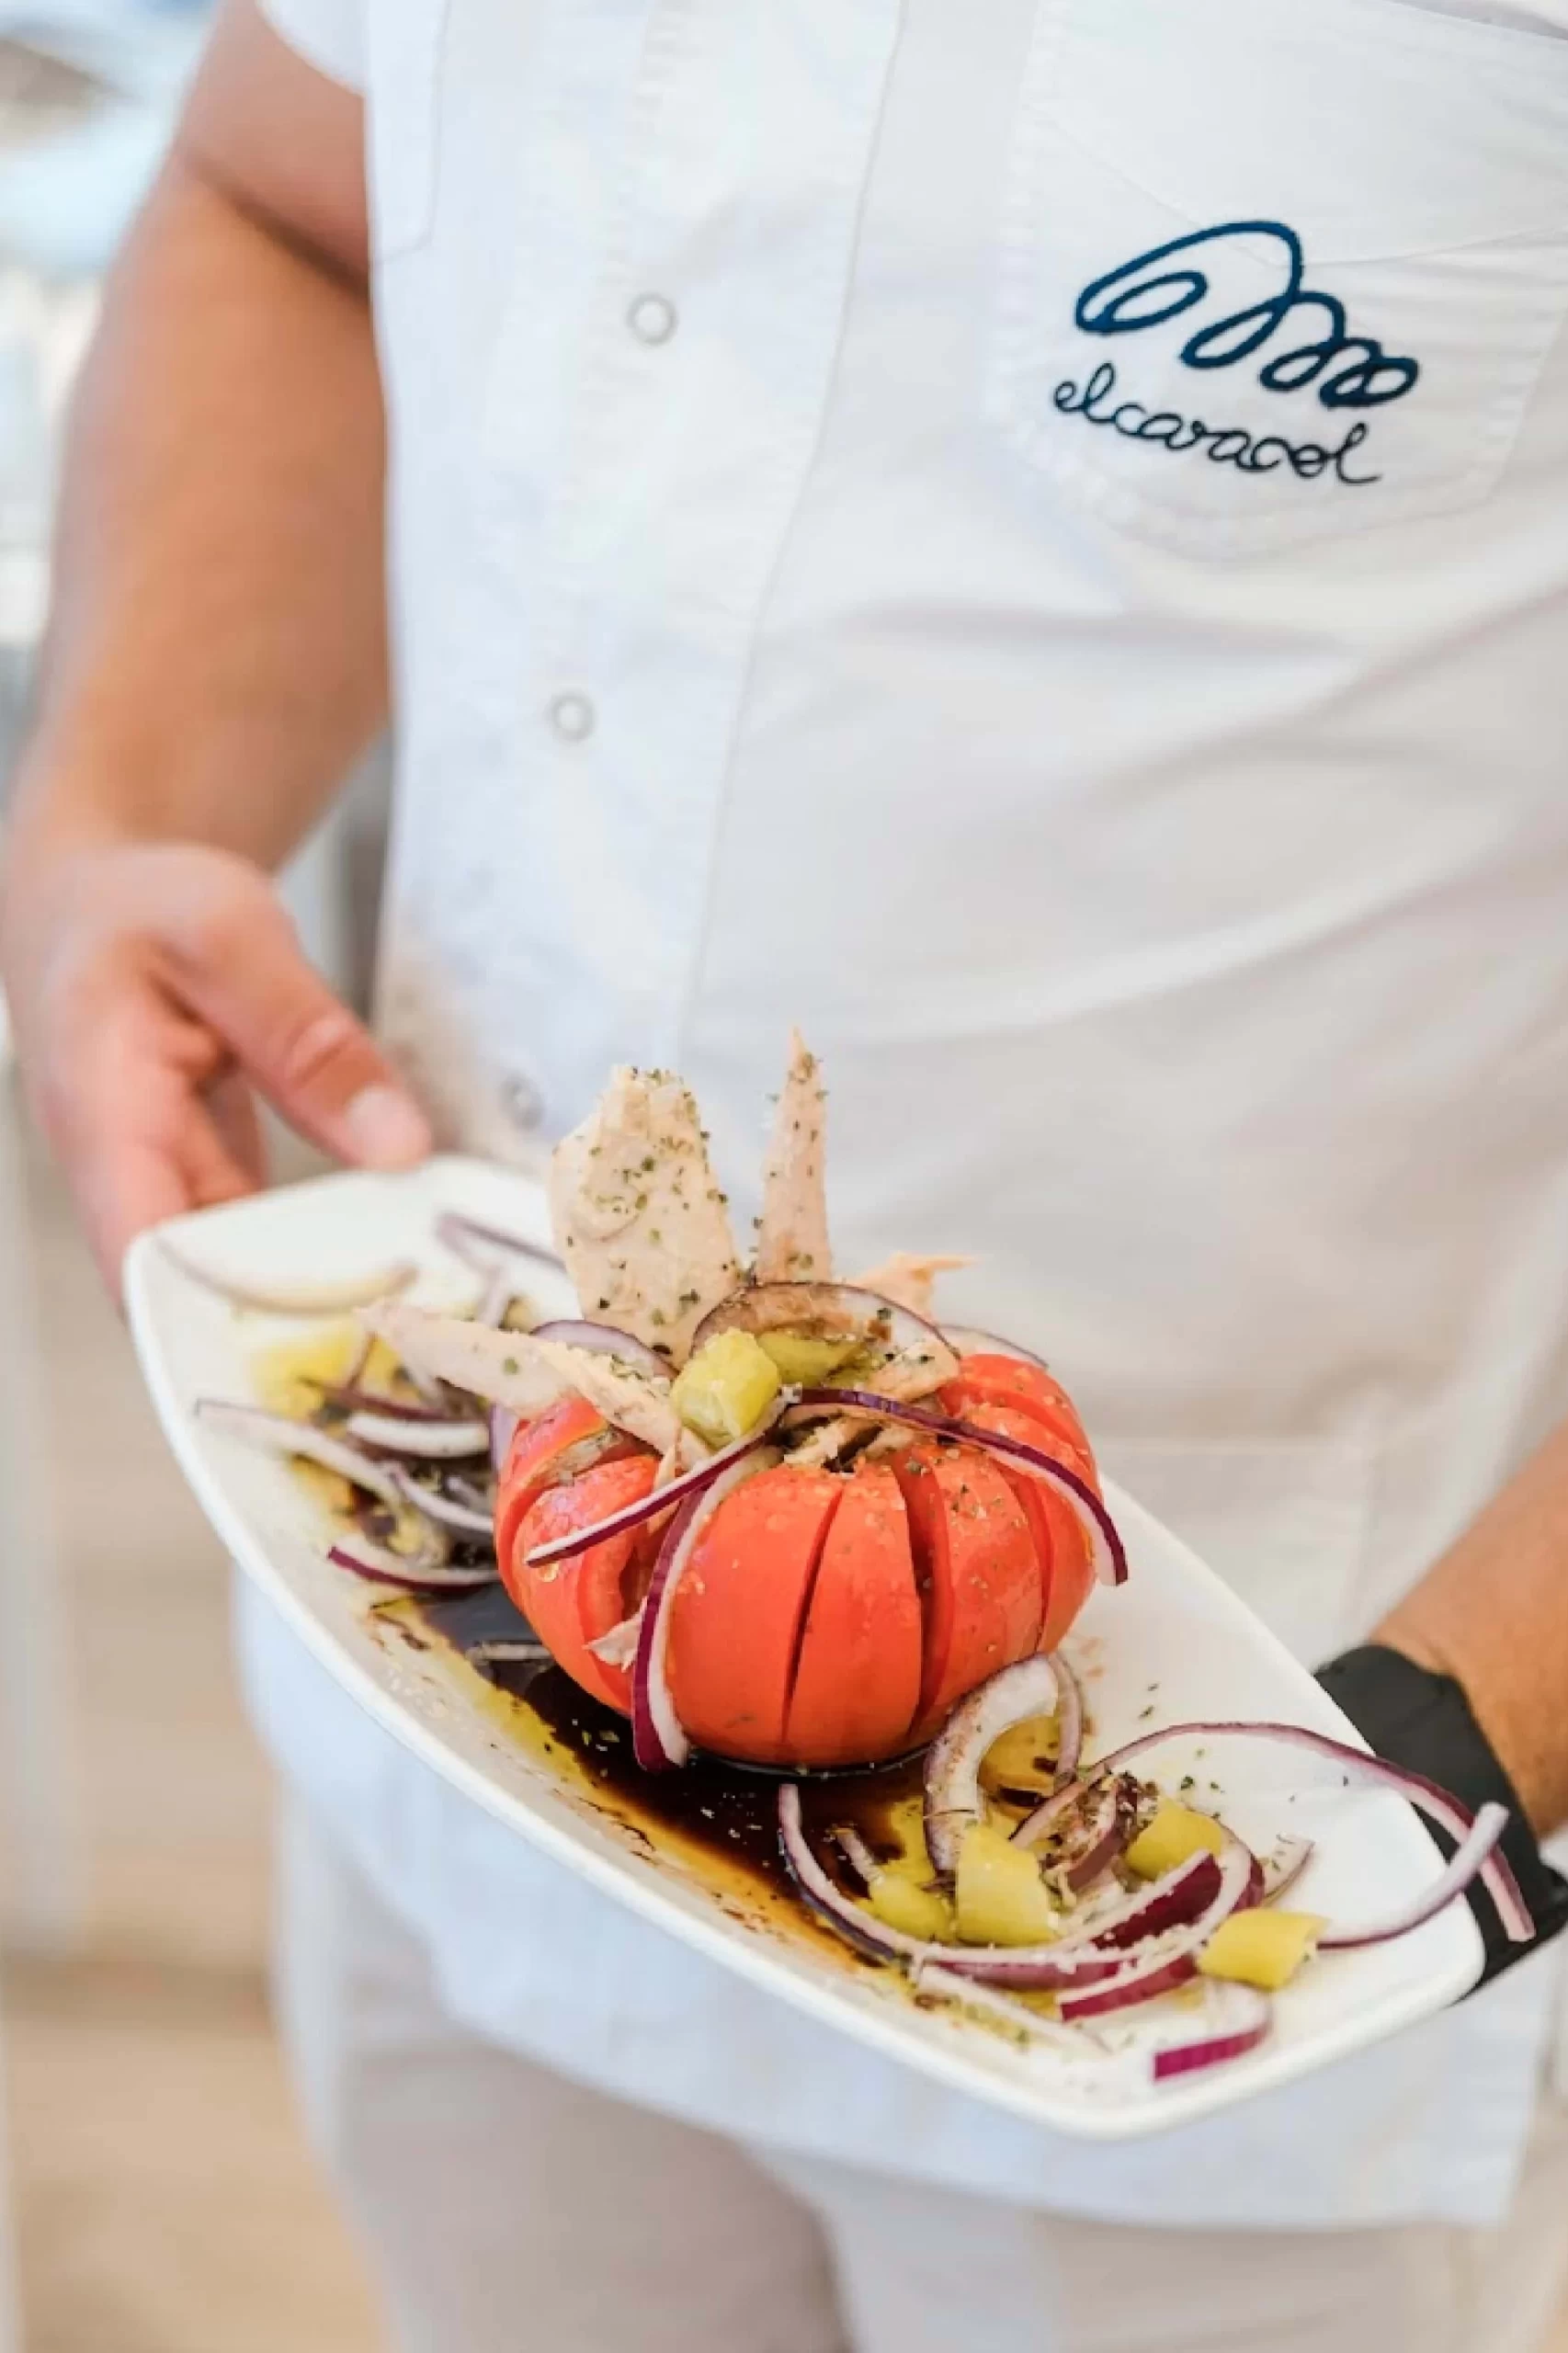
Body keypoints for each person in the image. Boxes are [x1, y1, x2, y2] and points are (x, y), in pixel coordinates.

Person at [6, 2, 1568, 2345]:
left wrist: (1455, 1753)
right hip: (452, 1707)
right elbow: (285, 200)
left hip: (1270, 1891)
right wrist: (117, 813)